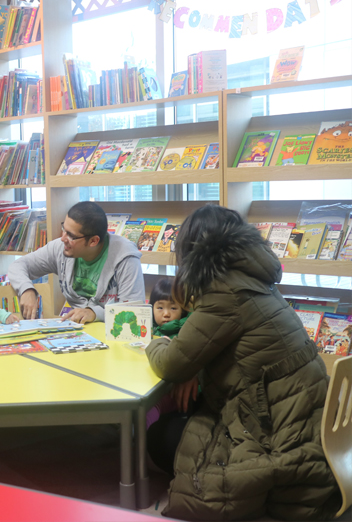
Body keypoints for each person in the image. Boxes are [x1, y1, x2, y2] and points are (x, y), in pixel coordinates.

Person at [145, 204, 340, 521]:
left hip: (277, 434)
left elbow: (170, 364)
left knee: (160, 436)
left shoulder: (223, 293)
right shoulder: (253, 280)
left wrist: (156, 340)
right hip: (307, 419)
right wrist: (195, 366)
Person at [8, 201, 144, 324]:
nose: (63, 239)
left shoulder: (126, 257)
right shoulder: (60, 248)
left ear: (93, 241)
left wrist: (94, 313)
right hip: (78, 332)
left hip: (112, 332)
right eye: (64, 229)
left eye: (71, 235)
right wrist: (27, 289)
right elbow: (18, 266)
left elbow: (133, 313)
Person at [145, 278, 195, 473]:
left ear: (183, 309)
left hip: (176, 391)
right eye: (160, 308)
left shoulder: (184, 330)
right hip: (155, 382)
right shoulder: (149, 328)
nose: (166, 314)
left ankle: (142, 442)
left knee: (150, 408)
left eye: (173, 308)